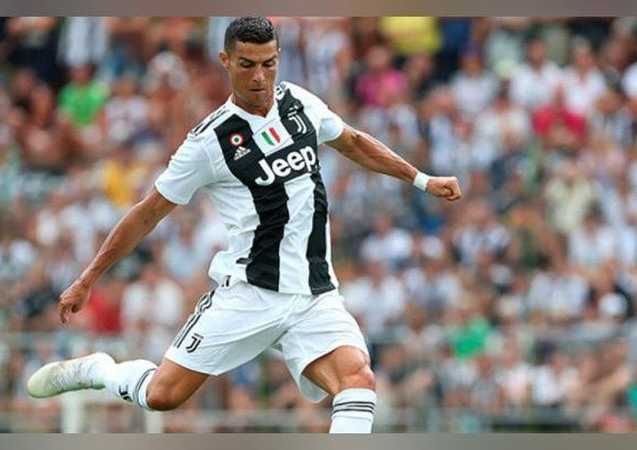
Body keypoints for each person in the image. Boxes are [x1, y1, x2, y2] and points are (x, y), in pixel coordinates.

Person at [26, 17, 461, 434]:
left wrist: (422, 179)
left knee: (358, 381)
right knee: (162, 396)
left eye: (268, 64)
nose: (259, 77)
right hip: (250, 291)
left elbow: (354, 142)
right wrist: (88, 278)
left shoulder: (299, 102)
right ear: (226, 61)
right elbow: (147, 212)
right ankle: (99, 370)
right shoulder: (209, 142)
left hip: (313, 292)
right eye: (247, 64)